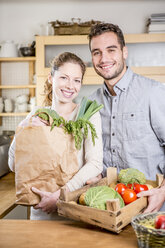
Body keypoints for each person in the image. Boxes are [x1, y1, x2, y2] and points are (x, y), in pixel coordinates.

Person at [8, 52, 103, 220]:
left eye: (76, 80)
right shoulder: (37, 114)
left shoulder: (86, 116)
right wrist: (25, 129)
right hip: (41, 211)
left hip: (74, 210)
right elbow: (14, 165)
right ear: (51, 78)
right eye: (64, 78)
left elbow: (95, 164)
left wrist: (59, 196)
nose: (70, 86)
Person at [87, 22, 165, 213]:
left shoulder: (153, 92)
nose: (103, 58)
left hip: (152, 208)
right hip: (108, 209)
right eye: (96, 52)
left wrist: (163, 191)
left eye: (111, 50)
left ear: (124, 52)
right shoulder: (90, 104)